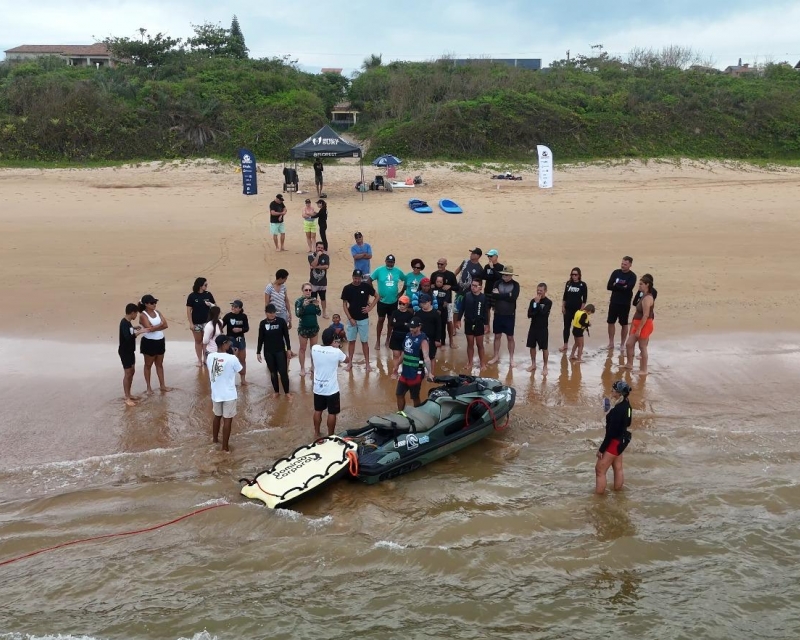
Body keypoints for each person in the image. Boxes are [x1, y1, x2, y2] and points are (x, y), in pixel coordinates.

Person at [206, 335, 243, 452]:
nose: (230, 345)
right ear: (224, 343)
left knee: (217, 416)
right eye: (229, 343)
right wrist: (235, 356)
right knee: (227, 420)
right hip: (229, 394)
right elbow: (242, 371)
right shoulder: (232, 358)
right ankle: (225, 448)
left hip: (216, 393)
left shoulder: (210, 356)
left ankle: (215, 440)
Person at [311, 327, 349, 439]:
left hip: (318, 387)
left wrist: (333, 346)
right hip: (331, 389)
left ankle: (316, 433)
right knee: (332, 413)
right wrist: (336, 347)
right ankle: (331, 436)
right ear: (333, 339)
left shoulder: (314, 348)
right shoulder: (336, 352)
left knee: (318, 410)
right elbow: (347, 360)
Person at [596, 380, 632, 494]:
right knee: (618, 468)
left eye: (614, 390)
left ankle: (598, 499)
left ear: (619, 393)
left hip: (614, 442)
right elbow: (628, 422)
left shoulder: (617, 410)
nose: (611, 391)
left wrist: (601, 449)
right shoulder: (627, 405)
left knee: (599, 470)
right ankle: (618, 493)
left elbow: (611, 433)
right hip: (622, 441)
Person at [340, 269, 377, 371]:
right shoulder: (347, 288)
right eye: (355, 278)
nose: (357, 280)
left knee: (364, 342)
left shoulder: (366, 286)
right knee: (351, 341)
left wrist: (370, 308)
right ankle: (350, 363)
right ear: (352, 277)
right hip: (352, 319)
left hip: (363, 319)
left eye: (358, 278)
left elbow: (377, 296)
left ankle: (367, 364)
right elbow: (344, 305)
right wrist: (350, 318)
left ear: (361, 278)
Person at [395, 317, 435, 410]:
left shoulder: (423, 340)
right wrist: (396, 365)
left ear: (419, 327)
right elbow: (404, 352)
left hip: (416, 372)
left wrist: (429, 373)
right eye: (410, 327)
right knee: (399, 394)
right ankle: (401, 413)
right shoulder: (408, 335)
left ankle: (417, 412)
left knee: (415, 397)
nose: (411, 329)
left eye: (413, 327)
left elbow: (426, 358)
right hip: (405, 371)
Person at [256, 303, 295, 397]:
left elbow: (286, 336)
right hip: (268, 352)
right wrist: (258, 352)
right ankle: (276, 392)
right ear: (266, 313)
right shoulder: (263, 323)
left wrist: (289, 349)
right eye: (270, 312)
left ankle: (287, 392)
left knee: (283, 372)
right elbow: (260, 338)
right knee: (273, 373)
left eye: (273, 312)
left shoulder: (281, 321)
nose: (272, 314)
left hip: (280, 351)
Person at [370, 254, 406, 349]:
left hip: (393, 301)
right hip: (381, 301)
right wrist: (375, 294)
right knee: (381, 320)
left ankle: (387, 340)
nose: (390, 264)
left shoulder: (398, 271)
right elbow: (369, 280)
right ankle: (378, 341)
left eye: (392, 262)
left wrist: (401, 292)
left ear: (394, 262)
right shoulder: (379, 270)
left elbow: (406, 280)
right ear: (385, 261)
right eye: (389, 262)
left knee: (391, 322)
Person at [622, 274, 655, 374]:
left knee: (642, 346)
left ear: (647, 285)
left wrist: (639, 329)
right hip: (637, 323)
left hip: (644, 324)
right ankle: (629, 364)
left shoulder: (647, 298)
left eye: (641, 284)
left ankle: (644, 370)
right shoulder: (643, 295)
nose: (639, 286)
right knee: (629, 344)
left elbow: (645, 315)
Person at [488, 265, 520, 366]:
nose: (504, 277)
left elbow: (513, 297)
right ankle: (496, 355)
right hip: (498, 314)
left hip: (509, 315)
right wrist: (506, 295)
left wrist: (500, 296)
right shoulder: (497, 283)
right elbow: (493, 295)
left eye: (506, 275)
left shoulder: (516, 285)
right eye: (503, 275)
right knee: (497, 335)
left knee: (510, 337)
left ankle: (511, 358)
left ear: (511, 276)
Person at [138, 294, 170, 393]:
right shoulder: (143, 315)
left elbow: (165, 325)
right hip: (149, 342)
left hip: (160, 340)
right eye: (152, 303)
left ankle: (162, 385)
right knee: (148, 365)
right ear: (146, 304)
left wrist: (156, 327)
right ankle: (148, 387)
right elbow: (149, 329)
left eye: (155, 302)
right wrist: (159, 325)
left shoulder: (158, 312)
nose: (154, 304)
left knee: (159, 364)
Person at [606, 256, 637, 351]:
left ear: (630, 265)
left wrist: (617, 286)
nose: (623, 266)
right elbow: (609, 286)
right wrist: (622, 287)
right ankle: (611, 342)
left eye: (625, 264)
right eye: (622, 264)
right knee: (611, 322)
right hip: (614, 301)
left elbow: (628, 289)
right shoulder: (616, 272)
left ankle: (622, 344)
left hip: (625, 303)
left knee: (624, 323)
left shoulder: (632, 276)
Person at [185, 277, 215, 367]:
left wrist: (210, 304)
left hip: (207, 323)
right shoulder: (192, 296)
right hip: (196, 323)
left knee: (206, 341)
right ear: (200, 285)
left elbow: (215, 306)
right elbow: (188, 310)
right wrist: (191, 323)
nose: (206, 286)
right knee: (198, 341)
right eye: (205, 285)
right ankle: (199, 360)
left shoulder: (208, 294)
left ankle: (206, 359)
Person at [460, 279, 489, 371]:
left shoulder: (483, 297)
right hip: (468, 322)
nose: (473, 287)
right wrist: (457, 320)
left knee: (480, 344)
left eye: (475, 286)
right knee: (470, 344)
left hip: (479, 323)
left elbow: (485, 312)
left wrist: (486, 324)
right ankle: (470, 362)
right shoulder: (467, 296)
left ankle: (482, 363)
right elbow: (461, 308)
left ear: (480, 287)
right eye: (472, 285)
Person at [119, 303, 144, 406]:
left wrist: (134, 328)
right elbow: (128, 337)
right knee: (128, 373)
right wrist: (139, 333)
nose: (136, 316)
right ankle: (127, 397)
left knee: (132, 371)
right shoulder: (124, 323)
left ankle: (129, 394)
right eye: (136, 313)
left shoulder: (128, 322)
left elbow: (128, 332)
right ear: (132, 312)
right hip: (125, 351)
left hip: (130, 351)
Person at [295, 282, 321, 377]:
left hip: (314, 327)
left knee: (313, 349)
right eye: (306, 290)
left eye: (310, 290)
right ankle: (302, 368)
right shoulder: (299, 301)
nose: (308, 292)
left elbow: (318, 313)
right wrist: (303, 306)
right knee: (302, 348)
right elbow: (298, 314)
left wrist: (317, 305)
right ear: (303, 291)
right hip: (303, 328)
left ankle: (313, 366)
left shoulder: (313, 300)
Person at [526, 283, 552, 375]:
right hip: (533, 327)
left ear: (545, 291)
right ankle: (533, 364)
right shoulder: (533, 301)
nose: (539, 292)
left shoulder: (548, 302)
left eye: (541, 290)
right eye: (538, 290)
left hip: (543, 328)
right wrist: (536, 304)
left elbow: (544, 314)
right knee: (532, 346)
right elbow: (529, 314)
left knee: (544, 348)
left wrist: (537, 305)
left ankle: (545, 366)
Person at [560, 267, 588, 353]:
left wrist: (581, 309)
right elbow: (565, 296)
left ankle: (579, 345)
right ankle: (565, 345)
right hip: (568, 309)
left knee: (578, 328)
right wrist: (563, 306)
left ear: (579, 275)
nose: (574, 276)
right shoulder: (568, 284)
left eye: (575, 274)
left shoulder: (582, 285)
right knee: (566, 327)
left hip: (577, 311)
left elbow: (584, 298)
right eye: (572, 274)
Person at [414, 292, 442, 377]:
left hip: (432, 339)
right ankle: (420, 372)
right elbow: (415, 327)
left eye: (424, 303)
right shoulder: (418, 313)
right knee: (420, 357)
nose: (423, 305)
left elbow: (439, 327)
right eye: (421, 303)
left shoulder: (435, 314)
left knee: (431, 356)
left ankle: (432, 373)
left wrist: (438, 339)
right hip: (420, 339)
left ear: (430, 302)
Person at [222, 300, 249, 385]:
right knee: (230, 361)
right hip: (230, 340)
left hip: (240, 339)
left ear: (240, 308)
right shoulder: (228, 316)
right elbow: (220, 325)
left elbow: (247, 328)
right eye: (232, 306)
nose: (233, 308)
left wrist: (240, 329)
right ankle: (228, 380)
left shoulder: (243, 316)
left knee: (242, 360)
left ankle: (243, 379)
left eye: (235, 307)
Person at [433, 258, 458, 347]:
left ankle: (451, 341)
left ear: (446, 264)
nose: (439, 265)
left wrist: (450, 286)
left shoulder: (450, 275)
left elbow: (457, 288)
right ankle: (437, 340)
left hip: (448, 303)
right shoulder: (434, 274)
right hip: (436, 304)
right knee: (436, 322)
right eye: (438, 263)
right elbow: (431, 287)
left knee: (449, 321)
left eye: (441, 264)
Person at [454, 248, 485, 319]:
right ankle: (454, 329)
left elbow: (480, 282)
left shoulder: (480, 269)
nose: (471, 255)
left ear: (478, 256)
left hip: (470, 293)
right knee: (456, 311)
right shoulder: (465, 262)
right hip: (460, 291)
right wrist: (453, 279)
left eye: (473, 253)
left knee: (469, 312)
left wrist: (478, 292)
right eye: (471, 253)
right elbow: (457, 270)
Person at [389, 295, 415, 379]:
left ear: (407, 305)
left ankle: (404, 373)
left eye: (403, 304)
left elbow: (410, 326)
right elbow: (392, 324)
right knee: (396, 355)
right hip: (396, 335)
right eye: (400, 303)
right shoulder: (395, 312)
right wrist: (403, 323)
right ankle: (395, 372)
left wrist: (399, 323)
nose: (401, 305)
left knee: (405, 356)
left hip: (406, 337)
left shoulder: (410, 314)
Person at [308, 241, 330, 318]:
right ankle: (314, 312)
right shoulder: (311, 256)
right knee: (313, 298)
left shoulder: (326, 256)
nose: (320, 249)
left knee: (323, 298)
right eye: (318, 247)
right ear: (316, 248)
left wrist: (316, 267)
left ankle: (324, 312)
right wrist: (317, 256)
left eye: (321, 248)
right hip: (313, 282)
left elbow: (326, 266)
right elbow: (313, 264)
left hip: (323, 282)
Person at [483, 249, 504, 329]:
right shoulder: (486, 266)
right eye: (488, 256)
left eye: (491, 256)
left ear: (496, 257)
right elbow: (484, 276)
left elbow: (499, 277)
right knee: (486, 309)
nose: (489, 257)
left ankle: (496, 326)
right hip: (487, 291)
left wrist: (492, 269)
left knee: (496, 310)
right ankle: (487, 326)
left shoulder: (501, 267)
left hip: (496, 292)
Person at [431, 274, 451, 346]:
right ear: (435, 282)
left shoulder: (446, 290)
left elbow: (446, 302)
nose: (439, 283)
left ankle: (443, 342)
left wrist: (440, 310)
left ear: (443, 282)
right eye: (437, 281)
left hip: (443, 311)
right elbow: (430, 301)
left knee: (442, 327)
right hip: (433, 311)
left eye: (440, 282)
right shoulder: (432, 289)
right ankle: (434, 341)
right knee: (433, 327)